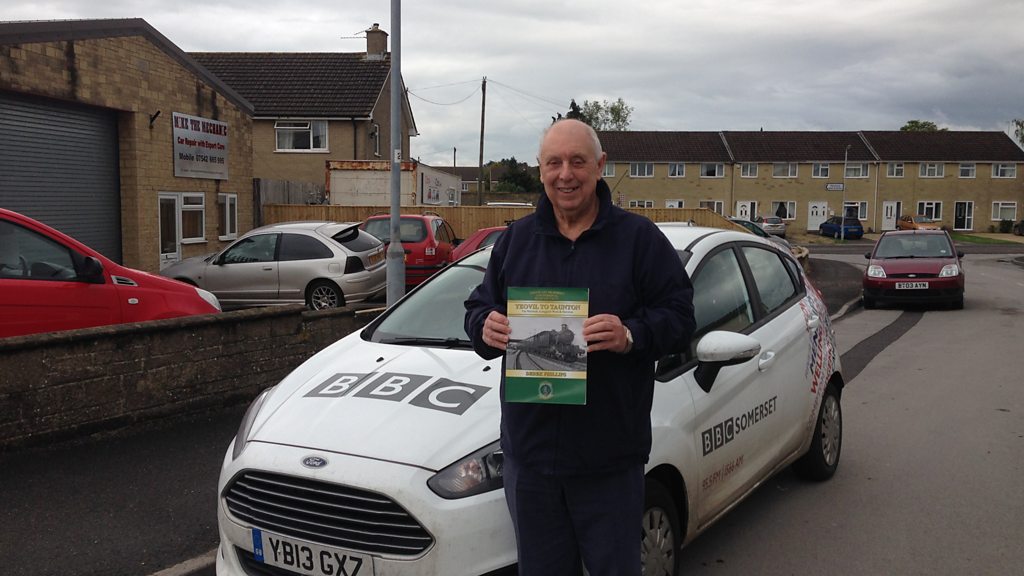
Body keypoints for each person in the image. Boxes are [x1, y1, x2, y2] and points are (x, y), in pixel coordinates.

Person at [464, 119, 696, 575]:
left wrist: (631, 335)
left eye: (577, 161)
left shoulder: (639, 240)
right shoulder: (516, 241)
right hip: (530, 464)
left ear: (600, 165)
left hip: (608, 464)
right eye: (554, 163)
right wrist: (483, 327)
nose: (565, 174)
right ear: (540, 169)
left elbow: (681, 318)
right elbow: (478, 305)